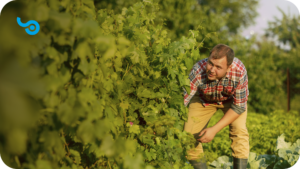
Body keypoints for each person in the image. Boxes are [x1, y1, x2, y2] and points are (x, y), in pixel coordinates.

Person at [182, 44, 249, 169]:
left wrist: (214, 129)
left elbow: (239, 106)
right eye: (211, 63)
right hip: (204, 99)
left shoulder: (239, 72)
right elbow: (184, 98)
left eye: (218, 67)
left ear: (228, 68)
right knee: (189, 136)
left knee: (239, 131)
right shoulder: (198, 70)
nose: (212, 69)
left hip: (231, 101)